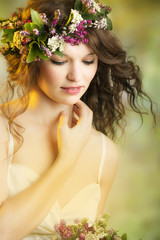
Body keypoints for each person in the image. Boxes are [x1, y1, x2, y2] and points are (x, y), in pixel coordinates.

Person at [0, 0, 155, 239]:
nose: (76, 76)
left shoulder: (105, 152)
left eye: (88, 61)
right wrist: (68, 158)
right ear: (31, 59)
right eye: (60, 61)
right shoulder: (3, 128)